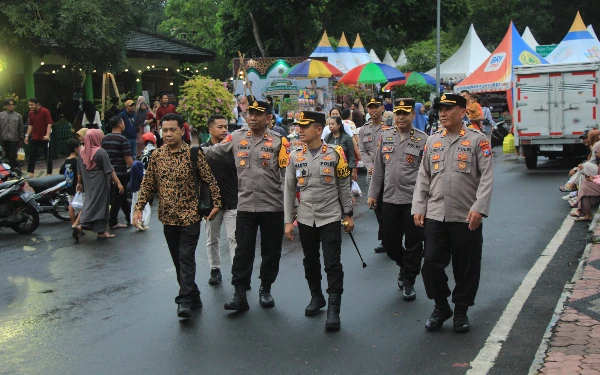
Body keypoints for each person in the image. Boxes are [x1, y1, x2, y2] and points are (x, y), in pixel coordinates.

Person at [412, 93, 493, 333]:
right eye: (440, 109)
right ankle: (440, 305)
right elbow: (423, 176)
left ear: (462, 111)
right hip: (436, 214)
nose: (443, 113)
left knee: (466, 266)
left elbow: (487, 177)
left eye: (448, 108)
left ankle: (461, 310)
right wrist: (419, 206)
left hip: (466, 215)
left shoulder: (478, 140)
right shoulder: (433, 140)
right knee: (431, 265)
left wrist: (480, 207)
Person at [201, 100, 291, 312]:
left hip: (273, 207)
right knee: (243, 252)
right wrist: (188, 151)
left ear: (268, 118)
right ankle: (239, 294)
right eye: (249, 113)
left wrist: (291, 209)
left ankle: (265, 289)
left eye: (258, 114)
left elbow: (288, 177)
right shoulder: (236, 137)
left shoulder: (280, 141)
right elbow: (212, 152)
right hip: (246, 207)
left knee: (271, 252)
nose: (252, 117)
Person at [133, 113, 222, 319]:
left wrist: (217, 204)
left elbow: (209, 180)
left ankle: (184, 301)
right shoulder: (156, 156)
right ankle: (194, 294)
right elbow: (148, 184)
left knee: (186, 258)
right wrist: (139, 207)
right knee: (177, 261)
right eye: (165, 130)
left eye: (173, 129)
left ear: (183, 130)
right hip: (168, 218)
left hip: (190, 217)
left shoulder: (193, 153)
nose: (169, 134)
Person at [283, 111, 353, 331]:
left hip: (330, 216)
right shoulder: (295, 156)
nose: (300, 130)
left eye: (305, 126)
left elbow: (343, 184)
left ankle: (334, 309)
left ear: (318, 128)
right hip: (305, 218)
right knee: (310, 261)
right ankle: (316, 297)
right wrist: (288, 220)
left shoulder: (336, 153)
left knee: (332, 264)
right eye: (298, 126)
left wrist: (348, 214)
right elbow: (288, 189)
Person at [367, 98, 428, 301]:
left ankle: (409, 280)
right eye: (398, 113)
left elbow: (427, 174)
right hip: (390, 199)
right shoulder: (386, 137)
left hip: (413, 201)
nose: (401, 117)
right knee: (389, 240)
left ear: (413, 115)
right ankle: (404, 265)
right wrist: (372, 194)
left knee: (414, 243)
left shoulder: (423, 140)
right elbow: (378, 170)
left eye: (405, 113)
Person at [201, 114, 239, 286]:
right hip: (211, 203)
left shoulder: (234, 148)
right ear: (210, 130)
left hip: (233, 200)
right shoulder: (202, 151)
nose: (224, 130)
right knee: (212, 239)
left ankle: (237, 272)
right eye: (220, 127)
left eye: (226, 127)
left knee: (234, 238)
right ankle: (215, 269)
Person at [73, 129, 124, 241]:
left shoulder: (82, 152)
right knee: (101, 206)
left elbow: (80, 171)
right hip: (101, 184)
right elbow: (109, 170)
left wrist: (79, 183)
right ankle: (87, 227)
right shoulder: (101, 152)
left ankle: (94, 230)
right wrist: (119, 183)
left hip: (88, 183)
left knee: (90, 203)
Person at [358, 97, 390, 253]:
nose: (373, 110)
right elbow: (362, 151)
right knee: (377, 207)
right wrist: (371, 166)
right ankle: (385, 240)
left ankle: (393, 238)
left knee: (391, 207)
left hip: (390, 173)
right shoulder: (363, 129)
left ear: (382, 108)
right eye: (370, 107)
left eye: (376, 107)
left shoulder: (391, 127)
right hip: (373, 174)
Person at [102, 116, 134, 229]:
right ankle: (113, 221)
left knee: (122, 195)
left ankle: (130, 217)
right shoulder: (122, 139)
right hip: (120, 172)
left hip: (108, 172)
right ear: (120, 124)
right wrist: (135, 169)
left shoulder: (104, 138)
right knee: (117, 196)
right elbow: (127, 157)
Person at [24, 98, 53, 177]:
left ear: (37, 104)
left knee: (47, 156)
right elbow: (30, 125)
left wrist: (47, 135)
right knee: (32, 155)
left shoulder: (45, 111)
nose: (30, 106)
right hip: (35, 137)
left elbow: (49, 124)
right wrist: (27, 135)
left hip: (44, 137)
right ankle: (30, 172)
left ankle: (49, 173)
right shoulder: (31, 113)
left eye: (32, 105)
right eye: (29, 105)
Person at [324, 116, 357, 181]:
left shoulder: (347, 138)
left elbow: (351, 156)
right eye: (329, 124)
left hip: (344, 170)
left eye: (333, 124)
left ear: (339, 125)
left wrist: (354, 170)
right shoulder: (327, 138)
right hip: (330, 170)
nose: (330, 126)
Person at [59, 138, 81, 225]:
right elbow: (79, 173)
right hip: (76, 186)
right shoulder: (76, 161)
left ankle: (73, 223)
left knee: (71, 206)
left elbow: (61, 171)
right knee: (82, 206)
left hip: (69, 186)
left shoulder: (66, 161)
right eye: (79, 147)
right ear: (76, 148)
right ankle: (77, 224)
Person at [0, 98, 24, 169]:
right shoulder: (1, 115)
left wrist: (21, 139)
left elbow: (21, 128)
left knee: (12, 156)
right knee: (6, 156)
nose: (11, 106)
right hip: (4, 138)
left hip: (14, 138)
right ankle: (13, 169)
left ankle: (16, 169)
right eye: (9, 105)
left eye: (12, 105)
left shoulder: (18, 116)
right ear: (6, 106)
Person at [129, 161, 150, 230]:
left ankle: (137, 222)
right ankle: (141, 222)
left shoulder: (133, 178)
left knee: (135, 207)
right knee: (146, 209)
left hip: (136, 192)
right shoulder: (142, 176)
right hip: (141, 193)